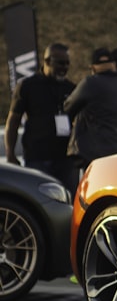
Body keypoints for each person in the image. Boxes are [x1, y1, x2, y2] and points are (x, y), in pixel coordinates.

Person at [3, 43, 79, 193]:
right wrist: (10, 153)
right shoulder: (27, 86)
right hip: (37, 157)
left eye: (67, 63)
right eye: (60, 63)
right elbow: (13, 120)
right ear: (47, 61)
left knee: (69, 200)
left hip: (66, 159)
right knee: (39, 200)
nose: (65, 67)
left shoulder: (71, 88)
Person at [64, 48, 117, 171]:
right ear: (114, 66)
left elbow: (67, 107)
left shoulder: (90, 84)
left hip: (98, 156)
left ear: (93, 68)